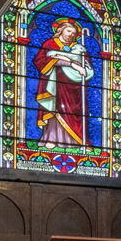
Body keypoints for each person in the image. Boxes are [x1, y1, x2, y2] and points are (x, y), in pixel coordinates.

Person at [32, 15, 92, 147]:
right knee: (55, 110)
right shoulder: (50, 44)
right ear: (60, 30)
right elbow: (40, 61)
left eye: (74, 33)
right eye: (68, 31)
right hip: (54, 85)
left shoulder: (80, 48)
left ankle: (74, 142)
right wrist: (70, 63)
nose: (71, 35)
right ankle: (51, 139)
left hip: (74, 88)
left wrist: (80, 65)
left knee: (74, 113)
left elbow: (87, 67)